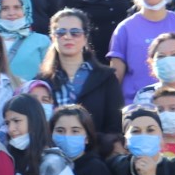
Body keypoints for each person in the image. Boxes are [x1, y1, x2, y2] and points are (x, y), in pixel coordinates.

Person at [37, 9, 123, 140]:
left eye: (75, 32)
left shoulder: (106, 77)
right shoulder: (41, 82)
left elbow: (115, 125)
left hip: (97, 154)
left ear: (85, 37)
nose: (68, 37)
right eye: (60, 32)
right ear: (53, 38)